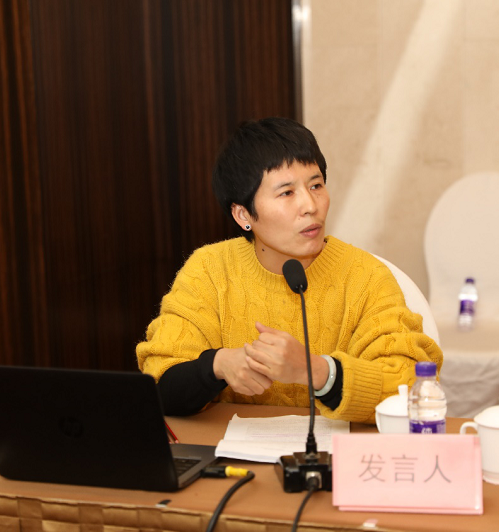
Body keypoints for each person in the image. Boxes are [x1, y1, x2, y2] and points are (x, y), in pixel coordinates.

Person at [136, 117, 442, 423]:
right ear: (243, 215)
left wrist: (317, 371)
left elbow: (411, 388)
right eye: (287, 193)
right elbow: (159, 383)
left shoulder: (366, 277)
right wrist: (217, 365)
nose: (310, 205)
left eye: (316, 185)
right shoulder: (209, 271)